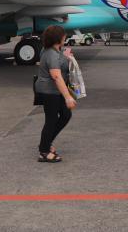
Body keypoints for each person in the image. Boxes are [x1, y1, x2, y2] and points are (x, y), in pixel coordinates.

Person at [35, 25, 77, 163]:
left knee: (65, 115)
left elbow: (60, 61)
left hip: (55, 90)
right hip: (49, 91)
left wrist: (67, 57)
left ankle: (46, 143)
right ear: (58, 38)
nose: (65, 37)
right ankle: (44, 151)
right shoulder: (51, 54)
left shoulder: (53, 50)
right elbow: (56, 76)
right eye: (64, 36)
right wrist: (68, 97)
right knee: (51, 120)